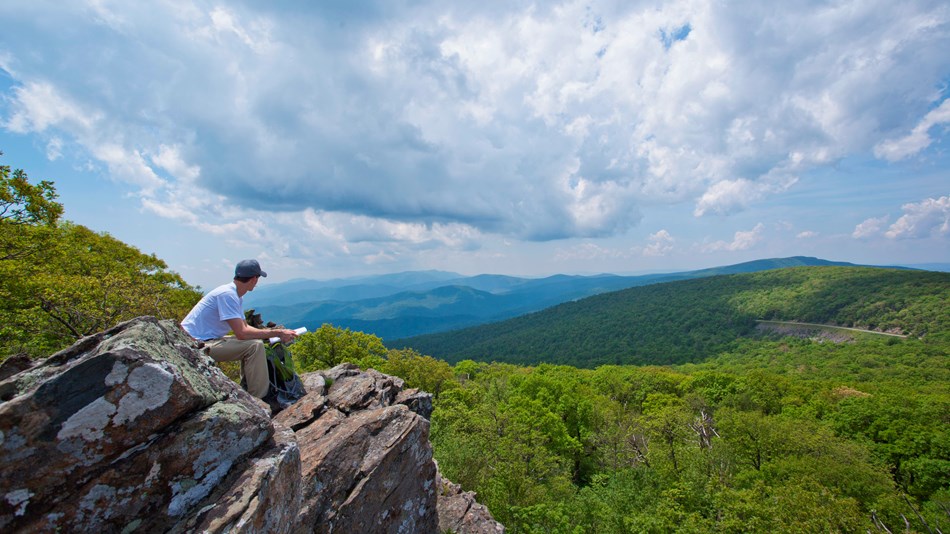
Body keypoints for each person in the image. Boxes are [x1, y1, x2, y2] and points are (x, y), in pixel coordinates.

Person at [180, 259, 298, 399]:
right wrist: (278, 332)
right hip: (193, 344)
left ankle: (248, 388)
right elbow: (242, 333)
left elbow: (245, 328)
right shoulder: (228, 295)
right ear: (254, 279)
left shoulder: (232, 294)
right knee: (254, 346)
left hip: (197, 341)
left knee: (256, 343)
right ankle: (258, 399)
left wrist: (274, 335)